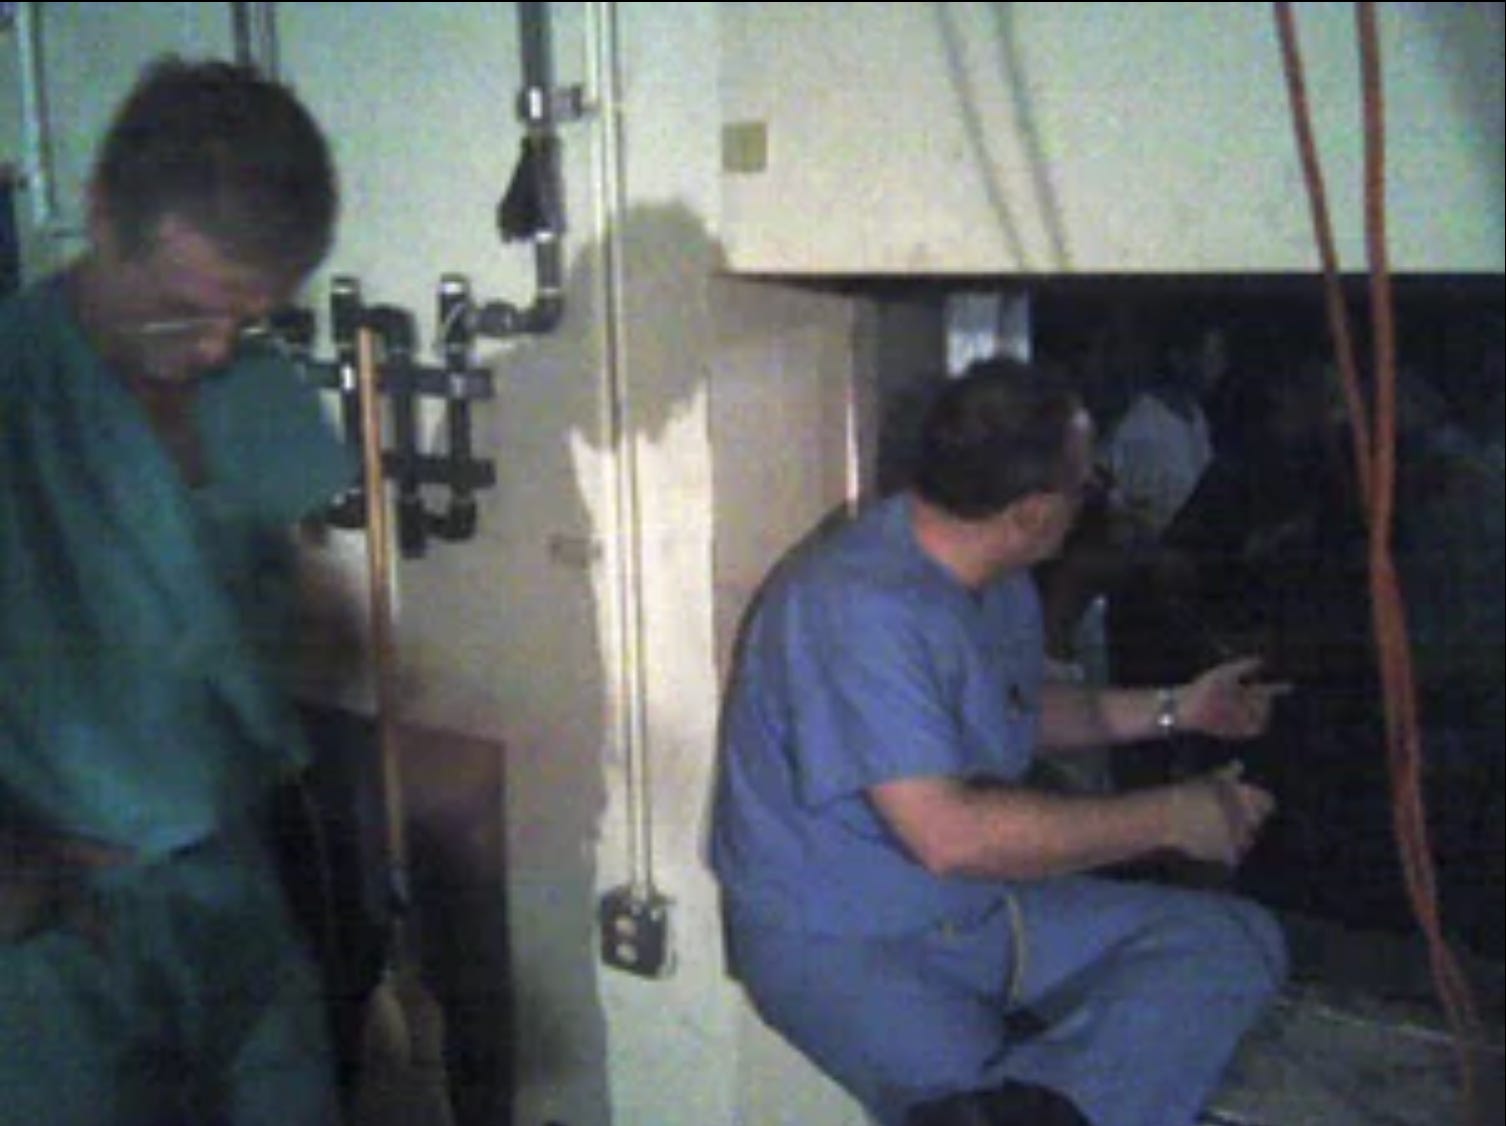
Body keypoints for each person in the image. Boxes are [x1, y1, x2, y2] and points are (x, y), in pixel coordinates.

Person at [711, 357, 1292, 1126]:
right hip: (845, 942)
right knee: (984, 1098)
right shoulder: (857, 607)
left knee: (1233, 944)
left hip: (974, 910)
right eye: (1087, 480)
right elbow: (950, 836)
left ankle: (1041, 1101)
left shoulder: (992, 573)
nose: (1100, 492)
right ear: (1033, 513)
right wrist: (1172, 817)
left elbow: (1015, 707)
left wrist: (1179, 710)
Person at [1, 58, 350, 1124]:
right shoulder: (17, 397)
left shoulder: (250, 385)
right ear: (102, 218)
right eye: (180, 313)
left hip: (237, 879)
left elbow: (264, 604)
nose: (210, 350)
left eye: (249, 318)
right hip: (63, 929)